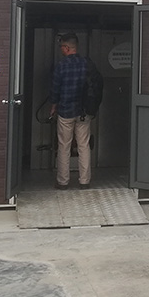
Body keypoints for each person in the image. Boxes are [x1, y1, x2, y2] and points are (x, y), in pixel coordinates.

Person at [48, 33, 91, 190]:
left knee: (64, 146)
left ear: (66, 48)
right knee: (83, 146)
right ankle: (84, 181)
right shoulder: (86, 64)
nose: (61, 49)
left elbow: (55, 89)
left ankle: (63, 181)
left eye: (61, 47)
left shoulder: (61, 66)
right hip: (84, 111)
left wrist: (53, 106)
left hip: (66, 111)